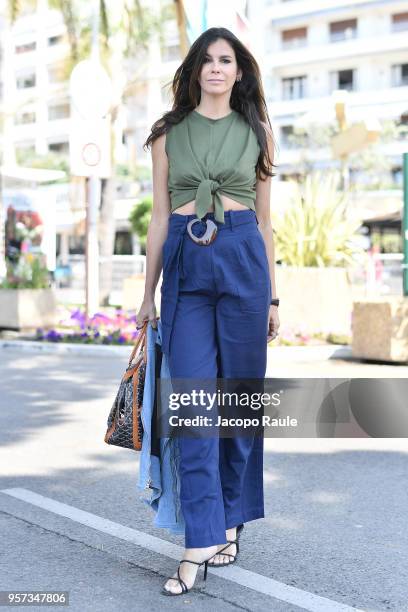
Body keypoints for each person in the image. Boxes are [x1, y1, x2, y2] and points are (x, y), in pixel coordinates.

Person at [137, 27, 280, 596]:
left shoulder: (260, 134)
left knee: (240, 403)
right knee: (193, 406)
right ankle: (199, 539)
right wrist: (147, 293)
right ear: (196, 71)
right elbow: (155, 220)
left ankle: (231, 519)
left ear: (238, 72)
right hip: (185, 267)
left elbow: (267, 222)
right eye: (208, 60)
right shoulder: (168, 135)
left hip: (244, 257)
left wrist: (272, 295)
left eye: (227, 60)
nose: (216, 68)